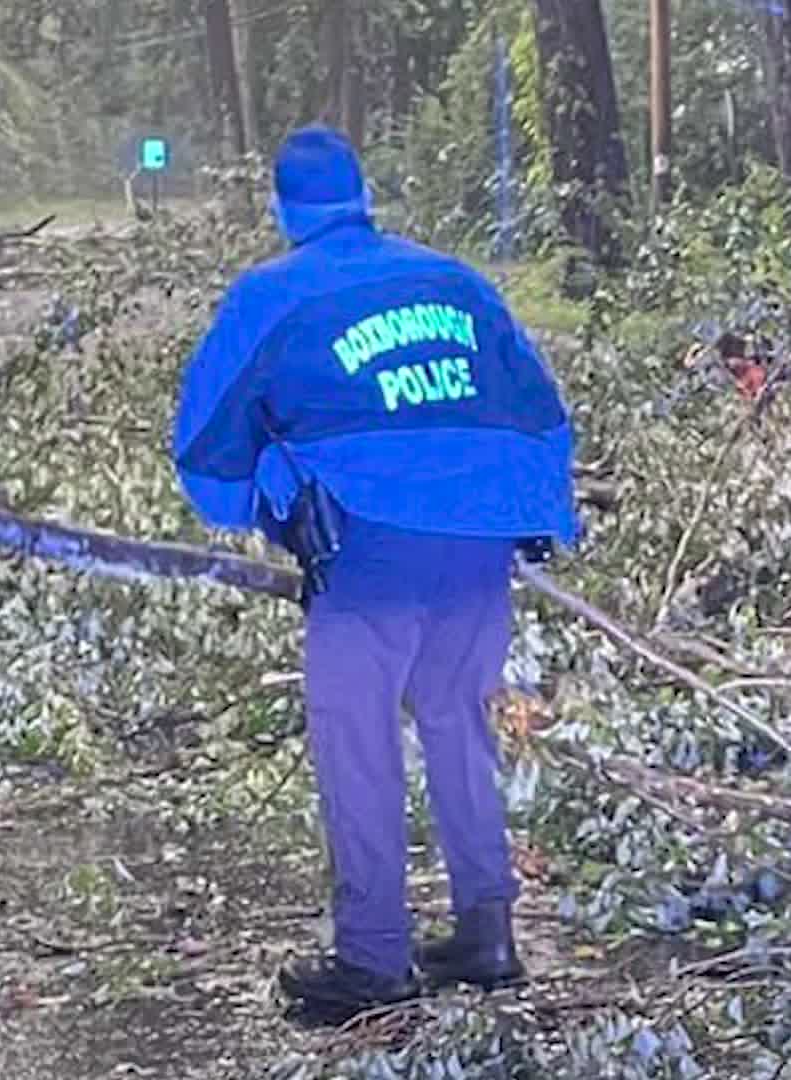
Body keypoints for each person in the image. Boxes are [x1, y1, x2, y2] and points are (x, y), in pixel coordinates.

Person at [167, 126, 581, 1020]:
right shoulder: (456, 281)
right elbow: (544, 412)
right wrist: (541, 513)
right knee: (458, 720)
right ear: (365, 195)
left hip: (368, 546)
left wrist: (270, 506)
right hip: (479, 542)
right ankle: (487, 928)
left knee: (357, 741)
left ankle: (372, 957)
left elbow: (203, 450)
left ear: (283, 208)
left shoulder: (268, 298)